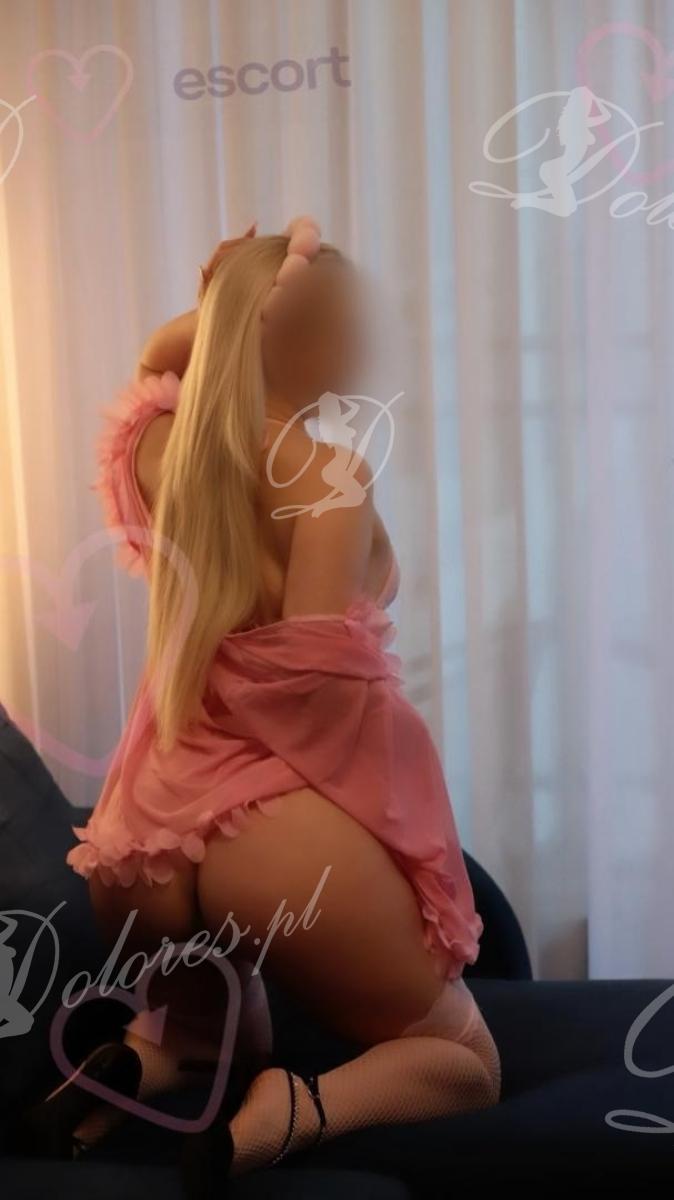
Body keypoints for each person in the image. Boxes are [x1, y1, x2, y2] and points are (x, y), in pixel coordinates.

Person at [24, 216, 501, 1189]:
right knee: (464, 1063)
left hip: (142, 844)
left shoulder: (159, 450)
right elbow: (310, 689)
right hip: (265, 845)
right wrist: (403, 836)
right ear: (316, 343)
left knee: (215, 1007)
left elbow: (157, 362)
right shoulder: (328, 477)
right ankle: (290, 1111)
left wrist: (231, 309)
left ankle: (154, 1055)